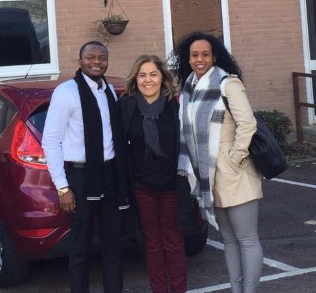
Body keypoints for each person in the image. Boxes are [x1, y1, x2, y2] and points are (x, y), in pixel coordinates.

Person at [174, 32, 263, 293]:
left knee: (246, 239)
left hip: (235, 173)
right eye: (194, 55)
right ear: (188, 59)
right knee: (228, 239)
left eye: (205, 54)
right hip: (209, 174)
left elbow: (248, 124)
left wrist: (235, 158)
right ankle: (236, 288)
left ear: (214, 57)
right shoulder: (189, 87)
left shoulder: (227, 84)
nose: (199, 59)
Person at [42, 40, 130, 293]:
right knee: (80, 248)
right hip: (80, 179)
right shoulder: (67, 92)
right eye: (90, 58)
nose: (96, 62)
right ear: (80, 61)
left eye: (102, 57)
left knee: (113, 247)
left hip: (110, 175)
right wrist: (62, 187)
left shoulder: (109, 91)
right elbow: (51, 140)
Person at [119, 55, 186, 293]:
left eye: (153, 74)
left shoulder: (175, 106)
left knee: (173, 241)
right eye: (142, 75)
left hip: (171, 185)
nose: (148, 80)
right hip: (142, 186)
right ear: (135, 79)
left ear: (162, 77)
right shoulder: (126, 106)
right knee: (152, 243)